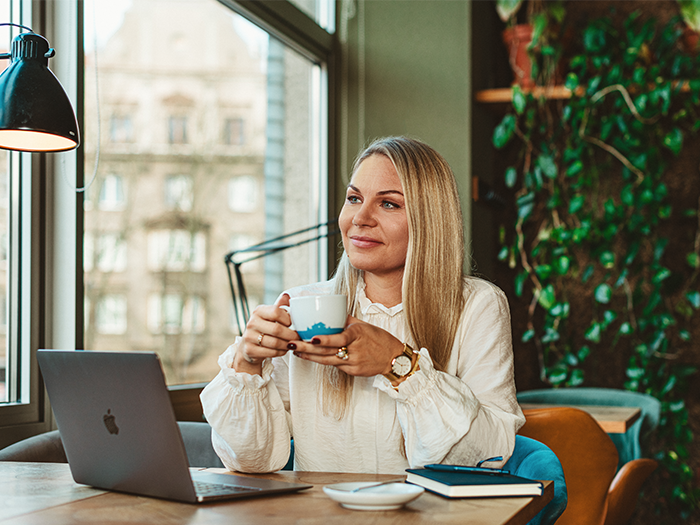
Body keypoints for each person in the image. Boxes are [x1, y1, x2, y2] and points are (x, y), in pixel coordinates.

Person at [201, 136, 525, 474]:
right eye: (354, 198)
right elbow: (251, 462)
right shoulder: (304, 306)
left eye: (389, 204)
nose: (360, 218)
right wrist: (247, 363)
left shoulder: (477, 305)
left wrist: (399, 364)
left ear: (429, 220)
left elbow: (486, 456)